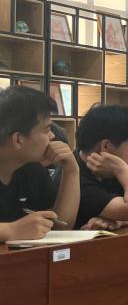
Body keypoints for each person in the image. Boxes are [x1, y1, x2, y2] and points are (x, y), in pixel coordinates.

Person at [0, 86, 79, 242]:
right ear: (18, 139)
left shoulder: (32, 169)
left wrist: (71, 170)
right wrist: (9, 230)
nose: (52, 136)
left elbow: (61, 226)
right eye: (46, 130)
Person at [73, 104, 128, 230]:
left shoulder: (112, 166)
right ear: (106, 146)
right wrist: (121, 169)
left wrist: (120, 220)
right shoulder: (74, 176)